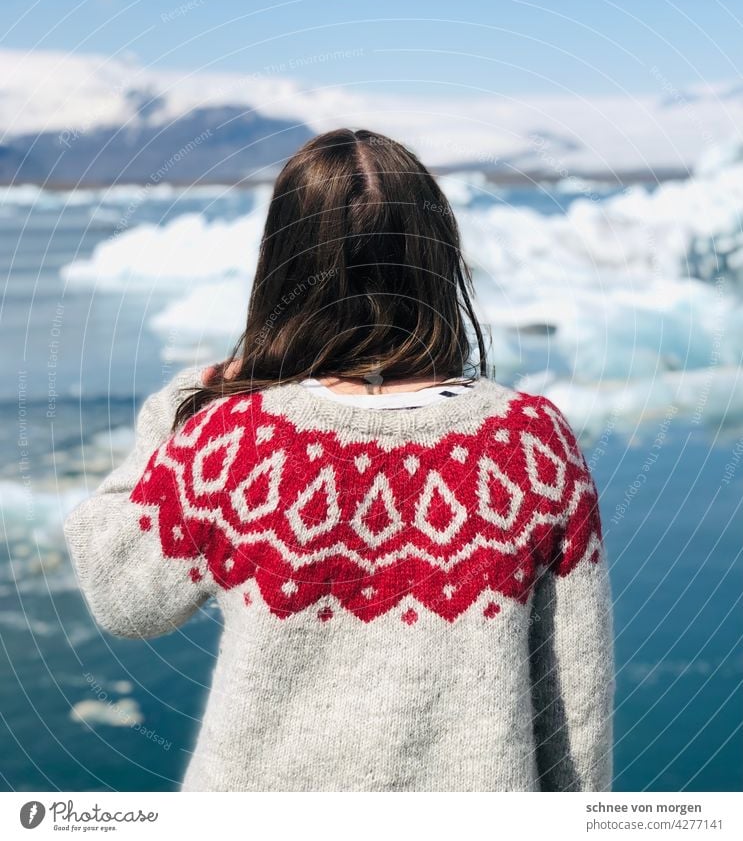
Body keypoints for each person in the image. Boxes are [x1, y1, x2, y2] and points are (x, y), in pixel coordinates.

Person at [63, 128, 615, 792]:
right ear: (435, 259)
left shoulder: (230, 436)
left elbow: (123, 594)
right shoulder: (531, 444)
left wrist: (186, 406)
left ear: (284, 262)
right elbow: (572, 705)